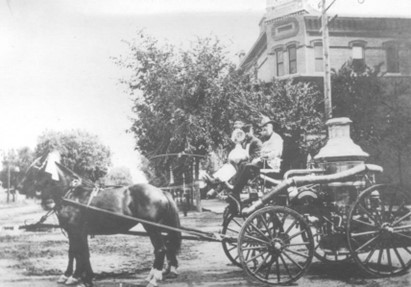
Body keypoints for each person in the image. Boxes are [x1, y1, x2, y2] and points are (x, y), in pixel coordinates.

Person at [227, 115, 284, 212]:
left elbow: (276, 153)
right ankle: (235, 188)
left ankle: (235, 191)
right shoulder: (265, 140)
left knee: (249, 166)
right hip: (264, 164)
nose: (264, 129)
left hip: (271, 166)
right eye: (263, 128)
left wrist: (261, 158)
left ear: (271, 127)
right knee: (243, 164)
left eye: (266, 127)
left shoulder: (277, 138)